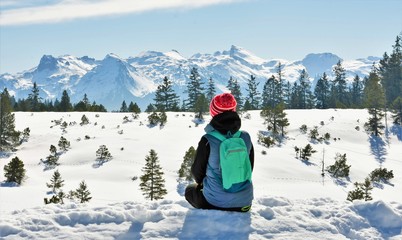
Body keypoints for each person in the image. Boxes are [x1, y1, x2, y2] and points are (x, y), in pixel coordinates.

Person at [185, 93, 254, 212]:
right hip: (245, 203)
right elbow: (249, 167)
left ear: (213, 113)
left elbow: (198, 173)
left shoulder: (208, 140)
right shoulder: (245, 137)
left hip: (214, 202)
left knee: (190, 190)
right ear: (234, 110)